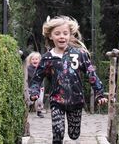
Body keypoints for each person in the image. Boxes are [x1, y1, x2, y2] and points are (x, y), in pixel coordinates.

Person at [29, 15, 108, 144]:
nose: (61, 36)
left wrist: (99, 94)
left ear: (70, 35)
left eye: (65, 33)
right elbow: (37, 78)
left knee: (74, 135)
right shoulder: (47, 58)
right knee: (58, 132)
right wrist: (34, 92)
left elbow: (91, 73)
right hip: (57, 100)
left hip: (76, 100)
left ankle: (74, 132)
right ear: (50, 36)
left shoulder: (79, 54)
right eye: (57, 33)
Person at [26, 52, 45, 118]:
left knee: (40, 101)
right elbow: (29, 76)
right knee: (30, 100)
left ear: (39, 60)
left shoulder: (41, 68)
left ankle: (39, 111)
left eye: (36, 59)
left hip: (40, 87)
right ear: (30, 61)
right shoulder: (29, 68)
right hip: (31, 86)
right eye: (33, 59)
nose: (35, 60)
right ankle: (28, 108)